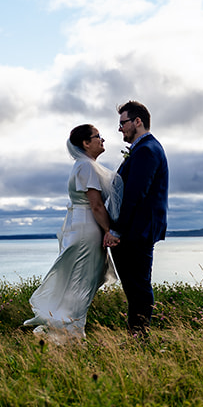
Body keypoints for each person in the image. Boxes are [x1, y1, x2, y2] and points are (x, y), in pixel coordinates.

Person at [23, 123, 121, 342]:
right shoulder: (86, 167)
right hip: (88, 227)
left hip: (81, 225)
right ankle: (70, 336)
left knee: (80, 280)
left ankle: (68, 330)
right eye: (98, 136)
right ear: (86, 143)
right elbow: (96, 205)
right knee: (81, 282)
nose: (102, 140)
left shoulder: (82, 165)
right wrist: (109, 231)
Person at [103, 100, 168, 336]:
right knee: (134, 287)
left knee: (138, 287)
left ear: (137, 121)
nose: (120, 129)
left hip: (136, 231)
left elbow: (134, 195)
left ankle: (139, 338)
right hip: (136, 229)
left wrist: (117, 230)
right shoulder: (143, 149)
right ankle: (136, 336)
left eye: (123, 123)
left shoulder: (147, 151)